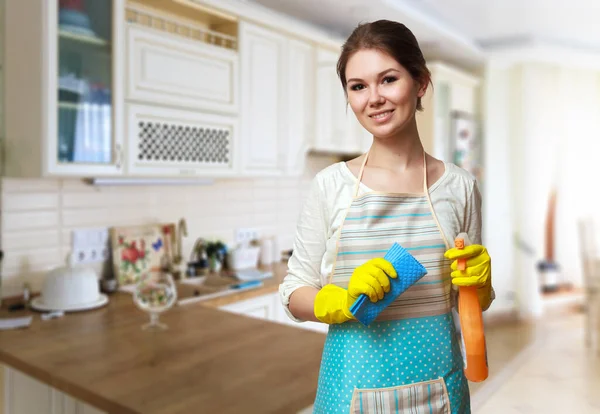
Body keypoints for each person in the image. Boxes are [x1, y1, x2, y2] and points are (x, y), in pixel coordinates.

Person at [279, 19, 493, 414]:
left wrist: (481, 285)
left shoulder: (460, 187)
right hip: (349, 392)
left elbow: (470, 301)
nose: (373, 98)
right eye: (357, 87)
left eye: (388, 79)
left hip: (442, 390)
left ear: (420, 82)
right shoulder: (331, 185)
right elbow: (294, 294)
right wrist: (337, 301)